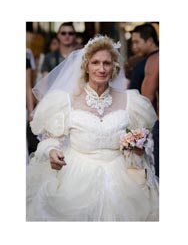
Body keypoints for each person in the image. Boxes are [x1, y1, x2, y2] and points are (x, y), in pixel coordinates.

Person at [26, 35, 159, 221]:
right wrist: (51, 151)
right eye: (95, 63)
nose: (102, 69)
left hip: (122, 178)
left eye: (107, 63)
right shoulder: (65, 101)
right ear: (86, 66)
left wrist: (137, 149)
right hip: (75, 174)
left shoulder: (131, 101)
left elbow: (144, 140)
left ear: (114, 66)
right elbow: (49, 139)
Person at [130, 23, 159, 177]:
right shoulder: (141, 61)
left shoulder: (154, 61)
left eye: (136, 42)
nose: (134, 46)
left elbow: (147, 99)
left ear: (149, 41)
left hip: (152, 123)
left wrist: (142, 130)